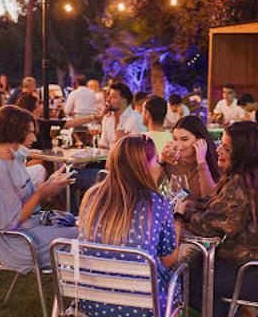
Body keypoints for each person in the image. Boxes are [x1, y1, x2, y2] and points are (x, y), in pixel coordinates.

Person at [175, 121, 258, 317]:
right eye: (220, 143)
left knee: (185, 278)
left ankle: (240, 313)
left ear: (243, 153)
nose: (218, 150)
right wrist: (196, 206)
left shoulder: (242, 182)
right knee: (196, 269)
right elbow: (221, 209)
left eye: (226, 147)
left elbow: (209, 227)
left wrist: (180, 214)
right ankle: (242, 313)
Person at [77, 134, 181, 317]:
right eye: (156, 161)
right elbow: (168, 259)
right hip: (144, 308)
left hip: (92, 305)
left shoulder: (92, 197)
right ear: (144, 167)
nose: (159, 165)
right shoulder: (156, 203)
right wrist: (178, 218)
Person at [0, 105, 78, 272]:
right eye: (29, 132)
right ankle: (83, 290)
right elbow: (11, 224)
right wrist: (42, 193)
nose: (34, 138)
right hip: (19, 244)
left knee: (82, 224)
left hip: (30, 229)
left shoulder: (12, 159)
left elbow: (20, 199)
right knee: (86, 237)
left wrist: (48, 183)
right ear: (14, 133)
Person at [156, 115, 220, 199]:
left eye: (184, 139)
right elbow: (149, 187)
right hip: (174, 211)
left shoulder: (215, 162)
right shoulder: (171, 161)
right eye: (175, 139)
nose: (178, 145)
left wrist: (201, 162)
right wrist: (161, 160)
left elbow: (210, 198)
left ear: (200, 141)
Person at [98, 82, 145, 149]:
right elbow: (103, 145)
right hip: (108, 158)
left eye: (113, 97)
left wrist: (123, 141)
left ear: (124, 100)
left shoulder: (136, 118)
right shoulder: (107, 117)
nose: (108, 99)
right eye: (109, 96)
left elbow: (138, 149)